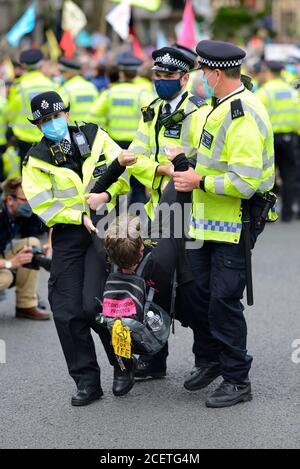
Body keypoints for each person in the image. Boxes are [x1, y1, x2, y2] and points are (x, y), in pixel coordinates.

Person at [172, 40, 276, 408]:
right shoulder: (221, 107)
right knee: (198, 295)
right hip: (206, 223)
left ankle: (237, 379)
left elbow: (246, 182)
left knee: (223, 301)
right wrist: (184, 161)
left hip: (232, 223)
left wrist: (198, 181)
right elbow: (216, 155)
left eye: (202, 71)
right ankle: (212, 359)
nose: (200, 77)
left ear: (216, 74)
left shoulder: (242, 114)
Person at [22, 91, 135, 406]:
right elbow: (43, 206)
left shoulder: (95, 136)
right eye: (45, 121)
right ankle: (87, 382)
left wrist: (106, 196)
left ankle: (124, 365)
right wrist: (77, 215)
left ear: (67, 115)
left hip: (106, 225)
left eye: (56, 117)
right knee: (67, 310)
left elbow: (124, 171)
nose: (52, 124)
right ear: (38, 126)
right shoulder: (36, 160)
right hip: (70, 232)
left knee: (101, 306)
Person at [128, 46, 211, 379]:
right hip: (159, 215)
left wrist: (172, 168)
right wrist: (162, 169)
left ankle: (206, 358)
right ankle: (154, 355)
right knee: (155, 283)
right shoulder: (152, 110)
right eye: (157, 76)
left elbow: (201, 163)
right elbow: (135, 157)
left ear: (184, 78)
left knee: (194, 288)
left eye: (167, 77)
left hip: (192, 215)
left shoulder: (199, 112)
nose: (160, 81)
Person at [88, 147, 191, 396]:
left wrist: (118, 165)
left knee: (104, 316)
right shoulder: (162, 251)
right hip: (158, 309)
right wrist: (181, 161)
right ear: (142, 245)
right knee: (195, 300)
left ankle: (124, 369)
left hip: (127, 317)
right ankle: (207, 360)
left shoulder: (104, 251)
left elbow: (93, 198)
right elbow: (180, 200)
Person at [90, 53, 153, 205]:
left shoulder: (109, 93)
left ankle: (115, 221)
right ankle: (138, 221)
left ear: (121, 74)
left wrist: (105, 131)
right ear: (135, 74)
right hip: (136, 145)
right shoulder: (142, 95)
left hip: (114, 146)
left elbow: (93, 116)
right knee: (138, 186)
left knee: (115, 184)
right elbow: (152, 119)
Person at [0, 177, 50, 320]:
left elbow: (51, 221)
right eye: (25, 200)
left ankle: (25, 305)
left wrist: (50, 244)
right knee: (5, 278)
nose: (29, 204)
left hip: (3, 253)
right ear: (10, 200)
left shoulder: (21, 210)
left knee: (31, 245)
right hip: (4, 261)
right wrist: (11, 264)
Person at [256, 61, 299, 221]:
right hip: (290, 138)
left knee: (269, 176)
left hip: (271, 139)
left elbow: (257, 117)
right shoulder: (292, 91)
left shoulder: (265, 92)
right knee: (289, 176)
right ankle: (287, 214)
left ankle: (269, 212)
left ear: (268, 72)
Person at [3, 49, 56, 163]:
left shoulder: (18, 86)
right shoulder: (51, 84)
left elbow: (10, 113)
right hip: (47, 135)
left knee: (27, 171)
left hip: (24, 138)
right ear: (41, 64)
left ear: (24, 66)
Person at [58, 57, 99, 125]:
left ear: (69, 72)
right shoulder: (91, 87)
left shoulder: (65, 89)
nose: (61, 75)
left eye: (62, 72)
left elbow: (58, 115)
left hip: (74, 131)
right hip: (92, 131)